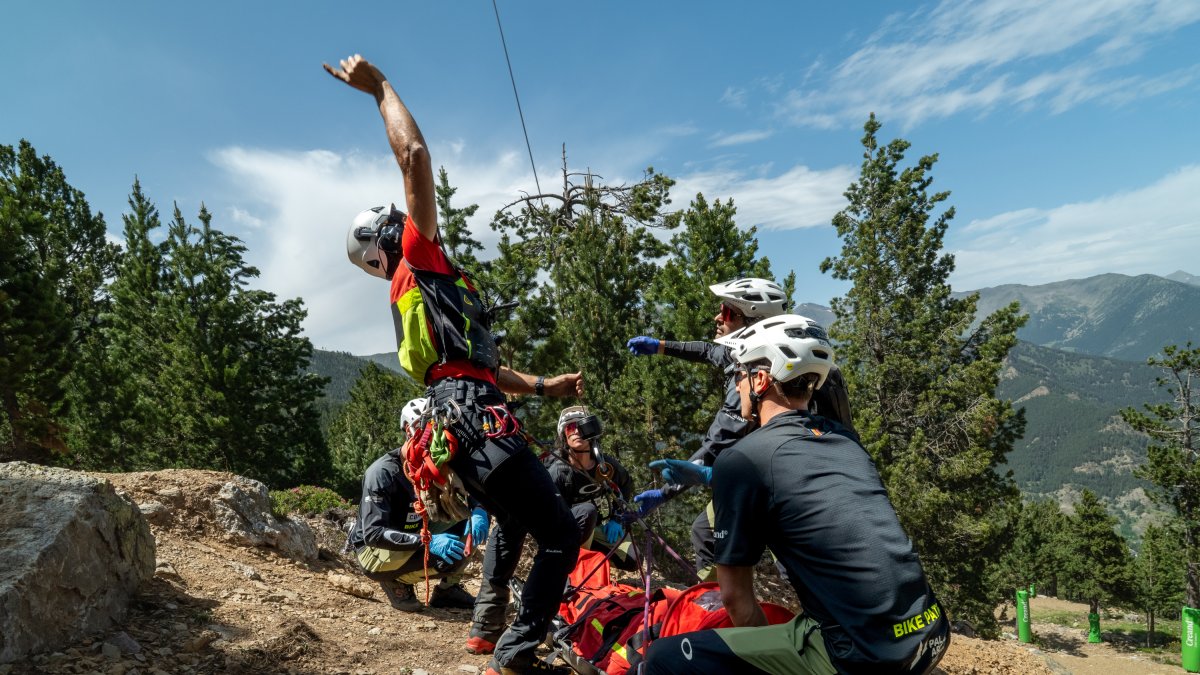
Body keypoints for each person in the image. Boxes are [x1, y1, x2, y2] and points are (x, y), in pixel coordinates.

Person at [327, 54, 581, 675]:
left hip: (457, 423)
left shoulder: (418, 291)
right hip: (478, 421)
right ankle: (516, 650)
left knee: (514, 520)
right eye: (398, 221)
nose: (410, 220)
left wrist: (544, 386)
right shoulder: (420, 259)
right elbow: (414, 156)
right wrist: (380, 88)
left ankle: (487, 633)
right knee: (561, 533)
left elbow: (476, 370)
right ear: (389, 237)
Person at [643, 315, 949, 675]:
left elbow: (737, 601)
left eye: (739, 374)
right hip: (931, 632)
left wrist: (723, 473)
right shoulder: (845, 441)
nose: (736, 384)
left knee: (662, 658)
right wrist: (715, 476)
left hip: (861, 658)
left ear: (760, 380)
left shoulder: (742, 457)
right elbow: (797, 482)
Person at [626, 278, 854, 580]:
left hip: (785, 485)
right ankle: (722, 600)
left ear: (752, 319)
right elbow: (707, 351)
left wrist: (664, 493)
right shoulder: (756, 357)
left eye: (727, 311)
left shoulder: (753, 379)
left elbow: (715, 445)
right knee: (707, 532)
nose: (717, 317)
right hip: (795, 471)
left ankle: (726, 601)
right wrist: (661, 347)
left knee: (787, 557)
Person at [347, 397, 487, 612]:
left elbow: (469, 490)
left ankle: (447, 590)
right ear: (408, 430)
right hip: (374, 549)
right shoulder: (382, 473)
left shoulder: (437, 462)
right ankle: (396, 580)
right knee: (444, 558)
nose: (433, 436)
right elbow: (373, 534)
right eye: (425, 428)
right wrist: (428, 542)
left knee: (467, 526)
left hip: (415, 529)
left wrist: (478, 510)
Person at [541, 406, 638, 571]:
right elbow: (548, 515)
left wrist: (617, 518)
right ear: (563, 435)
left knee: (632, 560)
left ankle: (591, 557)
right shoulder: (558, 472)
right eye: (570, 427)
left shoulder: (605, 466)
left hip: (595, 528)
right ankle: (574, 566)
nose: (576, 431)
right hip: (566, 532)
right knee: (587, 511)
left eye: (582, 426)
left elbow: (625, 485)